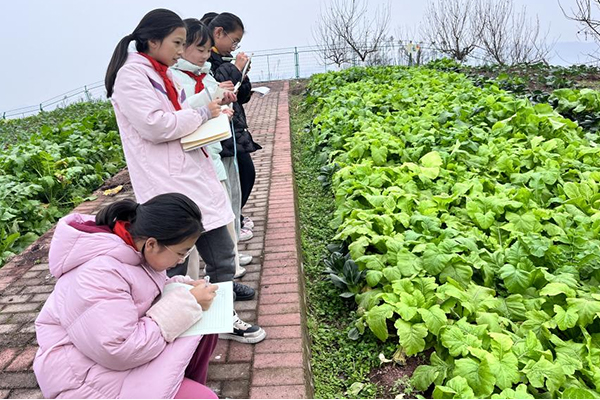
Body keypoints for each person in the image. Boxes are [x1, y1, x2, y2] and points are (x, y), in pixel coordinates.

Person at [104, 8, 265, 343]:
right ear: (153, 41)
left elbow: (176, 115)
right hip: (168, 183)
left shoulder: (159, 73)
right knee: (174, 264)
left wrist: (209, 115)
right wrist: (203, 113)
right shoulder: (131, 76)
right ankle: (180, 325)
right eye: (177, 43)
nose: (180, 50)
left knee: (222, 255)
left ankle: (223, 317)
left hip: (191, 173)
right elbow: (156, 125)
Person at [33, 193, 219, 399]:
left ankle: (182, 382)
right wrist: (187, 302)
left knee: (205, 326)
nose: (181, 261)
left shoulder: (133, 248)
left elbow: (140, 292)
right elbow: (119, 349)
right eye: (181, 253)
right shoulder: (97, 274)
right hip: (81, 375)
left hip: (108, 356)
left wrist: (183, 288)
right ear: (152, 244)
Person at [170, 18, 252, 278]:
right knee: (190, 233)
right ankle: (190, 285)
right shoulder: (173, 78)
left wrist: (222, 106)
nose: (205, 55)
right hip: (189, 163)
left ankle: (230, 272)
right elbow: (180, 113)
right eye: (200, 49)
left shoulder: (205, 75)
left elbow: (208, 109)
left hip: (211, 155)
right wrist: (210, 100)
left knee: (224, 216)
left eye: (208, 50)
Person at [203, 12, 261, 241]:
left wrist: (242, 75)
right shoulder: (206, 58)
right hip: (221, 128)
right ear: (219, 33)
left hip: (233, 126)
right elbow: (216, 87)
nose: (234, 47)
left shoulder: (225, 59)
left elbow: (240, 96)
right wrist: (236, 68)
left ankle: (236, 219)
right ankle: (231, 223)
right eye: (234, 41)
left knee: (242, 175)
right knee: (240, 175)